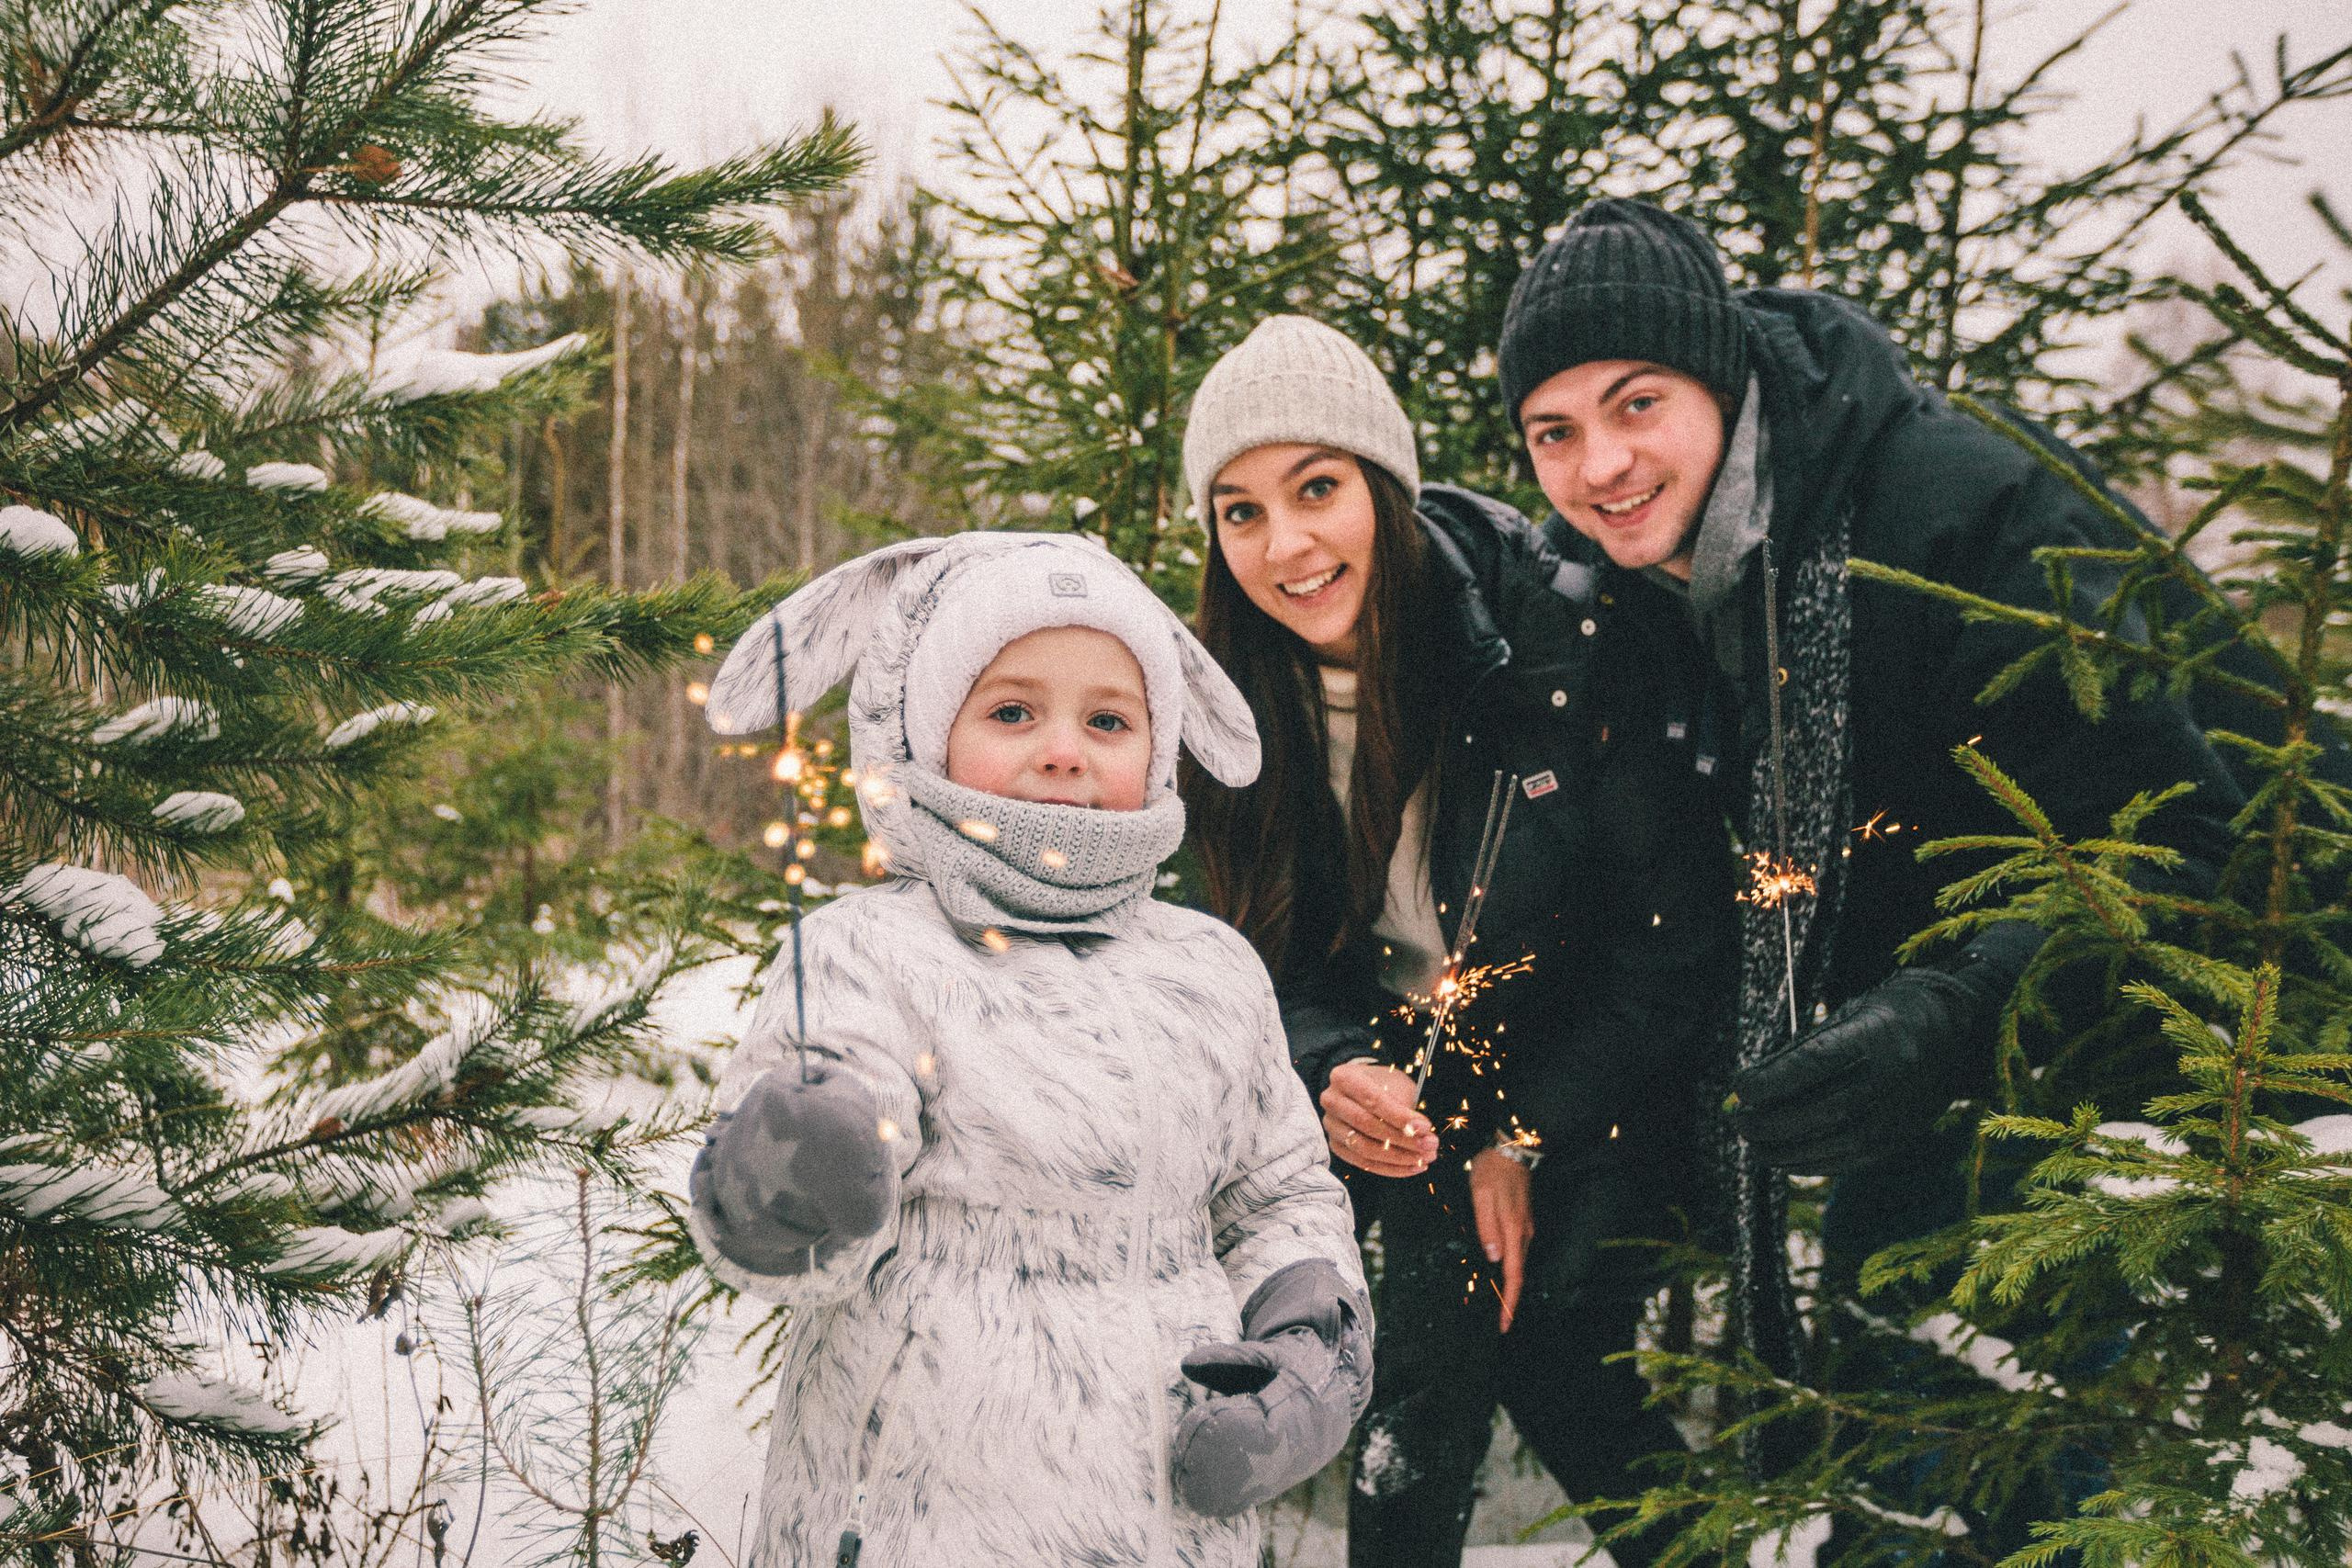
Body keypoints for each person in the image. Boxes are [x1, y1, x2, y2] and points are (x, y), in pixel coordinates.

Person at [1491, 198, 2247, 1471]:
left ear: (1721, 380)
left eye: (1637, 404)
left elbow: (2180, 843)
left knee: (1985, 1450)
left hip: (2192, 1042)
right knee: (1890, 1446)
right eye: (1552, 432)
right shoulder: (1632, 590)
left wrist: (1955, 1012)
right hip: (1941, 1058)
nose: (1600, 465)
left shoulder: (1958, 512)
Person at [685, 530, 1372, 1567]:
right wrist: (795, 1172)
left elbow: (1275, 1191)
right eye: (1012, 712)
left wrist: (1306, 1344)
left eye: (1108, 719)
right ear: (926, 734)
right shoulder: (872, 949)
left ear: (1161, 747)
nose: (1064, 749)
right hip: (919, 1522)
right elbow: (819, 1193)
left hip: (1172, 1527)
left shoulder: (1213, 969)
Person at [1179, 316, 1738, 1567]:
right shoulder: (1225, 703)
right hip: (1407, 1082)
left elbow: (1671, 945)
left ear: (1384, 487)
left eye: (1315, 489)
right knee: (1409, 1359)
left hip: (1596, 1070)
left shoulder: (1555, 644)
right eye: (1240, 512)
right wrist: (1336, 1067)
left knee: (1540, 1351)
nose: (1286, 545)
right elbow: (1261, 958)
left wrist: (1518, 1132)